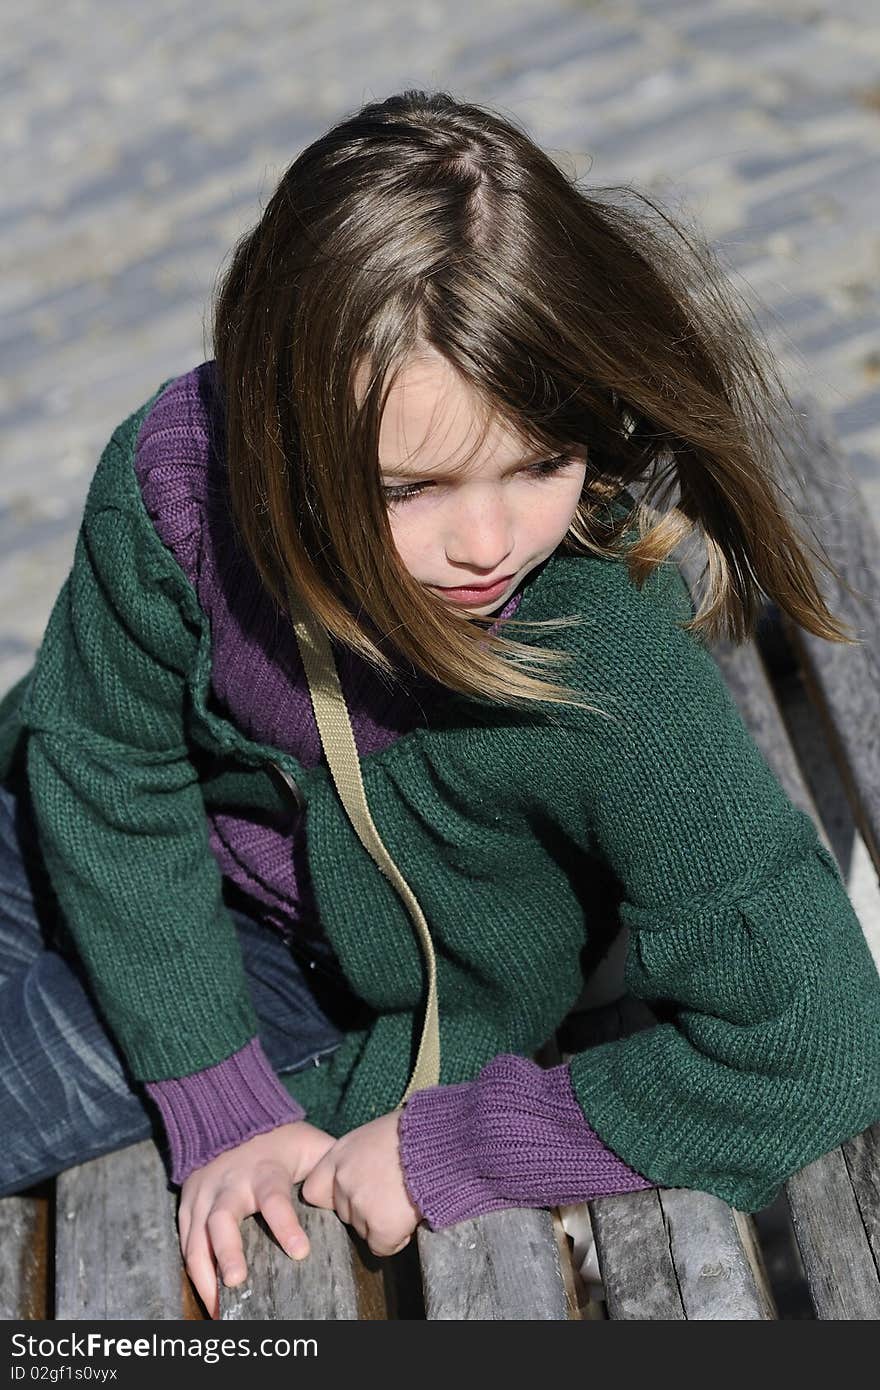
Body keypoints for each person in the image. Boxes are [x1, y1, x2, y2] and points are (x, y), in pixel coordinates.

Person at [1, 89, 878, 1322]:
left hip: (301, 976)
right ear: (277, 428)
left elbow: (820, 1035)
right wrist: (218, 1102)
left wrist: (453, 1144)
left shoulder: (607, 661)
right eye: (406, 487)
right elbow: (101, 761)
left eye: (537, 464)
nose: (484, 541)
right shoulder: (179, 484)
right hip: (79, 840)